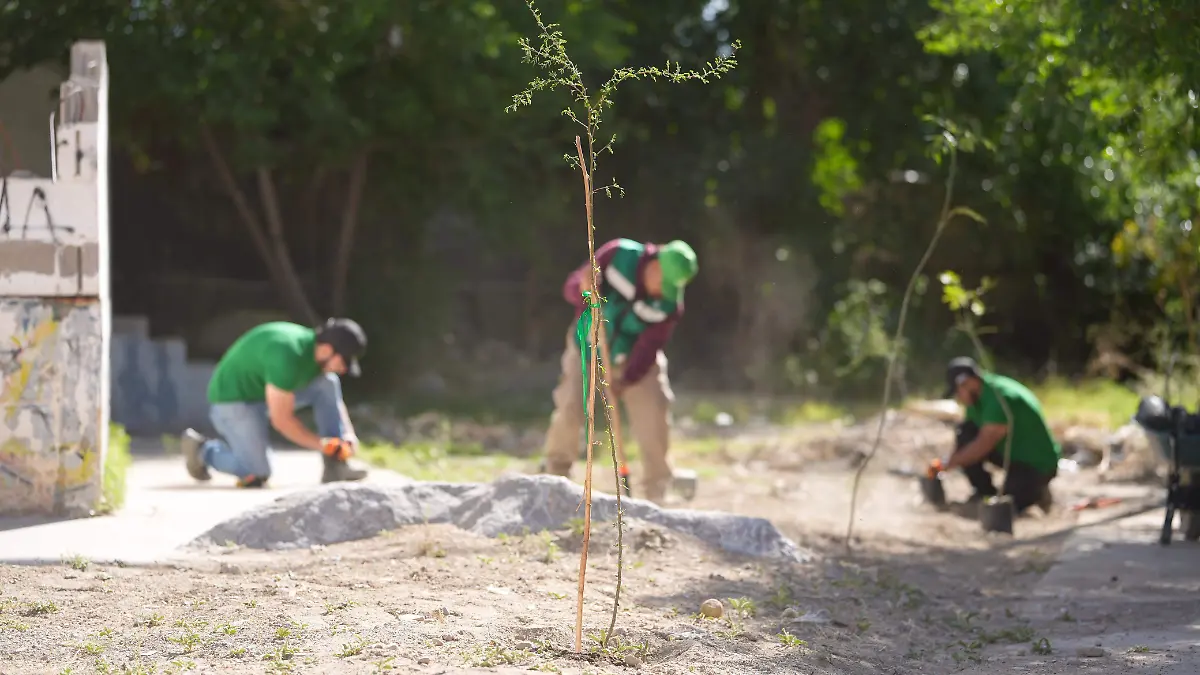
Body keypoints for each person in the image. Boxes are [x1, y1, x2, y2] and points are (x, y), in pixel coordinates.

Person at [540, 238, 698, 504]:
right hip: (588, 346)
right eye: (664, 284)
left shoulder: (669, 305)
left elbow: (650, 347)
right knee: (570, 405)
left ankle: (656, 491)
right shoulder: (617, 256)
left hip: (633, 357)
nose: (664, 293)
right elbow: (570, 291)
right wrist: (584, 288)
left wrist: (627, 379)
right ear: (655, 267)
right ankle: (555, 478)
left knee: (653, 407)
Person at [180, 318, 370, 487]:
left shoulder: (314, 353)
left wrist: (347, 434)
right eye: (345, 361)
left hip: (262, 394)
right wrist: (323, 445)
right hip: (233, 401)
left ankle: (335, 466)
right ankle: (202, 451)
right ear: (327, 350)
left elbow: (333, 399)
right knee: (257, 472)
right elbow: (281, 421)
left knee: (328, 382)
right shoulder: (287, 355)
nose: (345, 369)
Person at [939, 356, 1060, 514]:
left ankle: (1038, 492)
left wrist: (949, 463)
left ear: (966, 382)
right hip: (1011, 454)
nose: (958, 397)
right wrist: (952, 459)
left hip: (1034, 464)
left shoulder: (998, 397)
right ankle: (984, 492)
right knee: (966, 432)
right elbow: (969, 437)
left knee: (1009, 508)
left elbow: (984, 444)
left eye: (957, 392)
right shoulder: (976, 399)